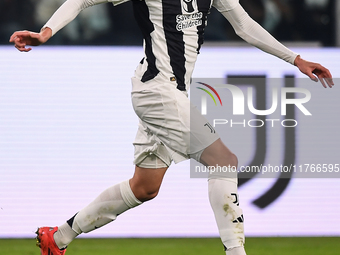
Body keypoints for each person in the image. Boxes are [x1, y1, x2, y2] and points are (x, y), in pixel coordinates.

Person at [9, 0, 333, 255]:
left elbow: (244, 25)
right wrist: (46, 31)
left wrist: (296, 59)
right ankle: (236, 252)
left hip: (168, 92)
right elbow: (83, 0)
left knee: (144, 187)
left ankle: (58, 237)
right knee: (224, 161)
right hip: (157, 91)